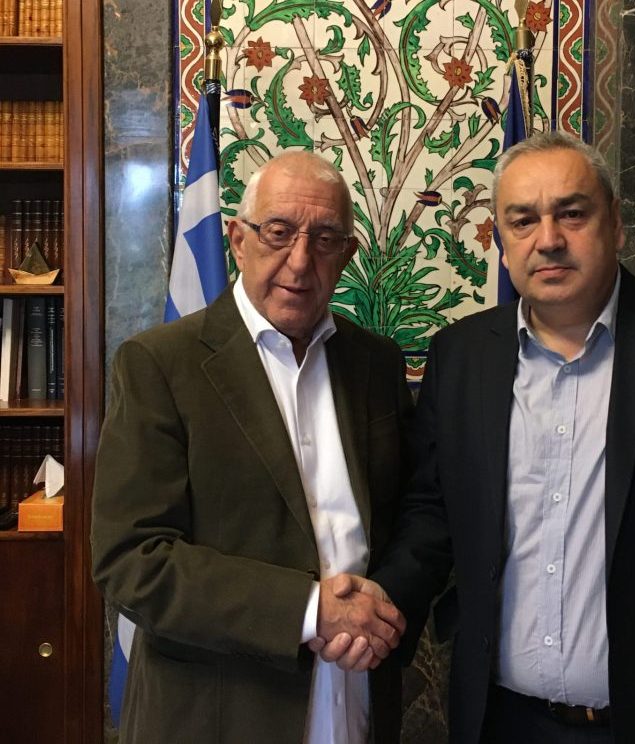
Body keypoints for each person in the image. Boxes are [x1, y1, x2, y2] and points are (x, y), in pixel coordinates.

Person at [323, 131, 635, 742]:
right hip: (504, 723)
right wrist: (380, 603)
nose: (548, 239)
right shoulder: (460, 356)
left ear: (614, 223)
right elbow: (434, 513)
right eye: (523, 221)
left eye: (571, 213)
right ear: (501, 241)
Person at [91, 150, 412, 744]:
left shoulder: (377, 364)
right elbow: (133, 560)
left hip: (355, 701)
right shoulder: (159, 364)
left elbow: (405, 520)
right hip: (220, 716)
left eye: (324, 240)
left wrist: (376, 614)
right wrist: (310, 610)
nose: (300, 260)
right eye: (279, 232)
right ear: (238, 241)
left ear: (347, 255)